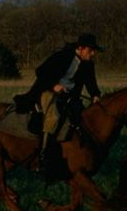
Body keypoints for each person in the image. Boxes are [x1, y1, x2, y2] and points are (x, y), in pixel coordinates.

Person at [15, 33, 103, 176]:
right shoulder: (61, 56)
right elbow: (40, 71)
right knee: (53, 117)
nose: (93, 53)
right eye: (90, 50)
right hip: (48, 91)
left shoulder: (88, 64)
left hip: (70, 98)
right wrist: (54, 85)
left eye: (93, 51)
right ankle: (43, 158)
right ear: (80, 48)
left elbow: (91, 83)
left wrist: (95, 95)